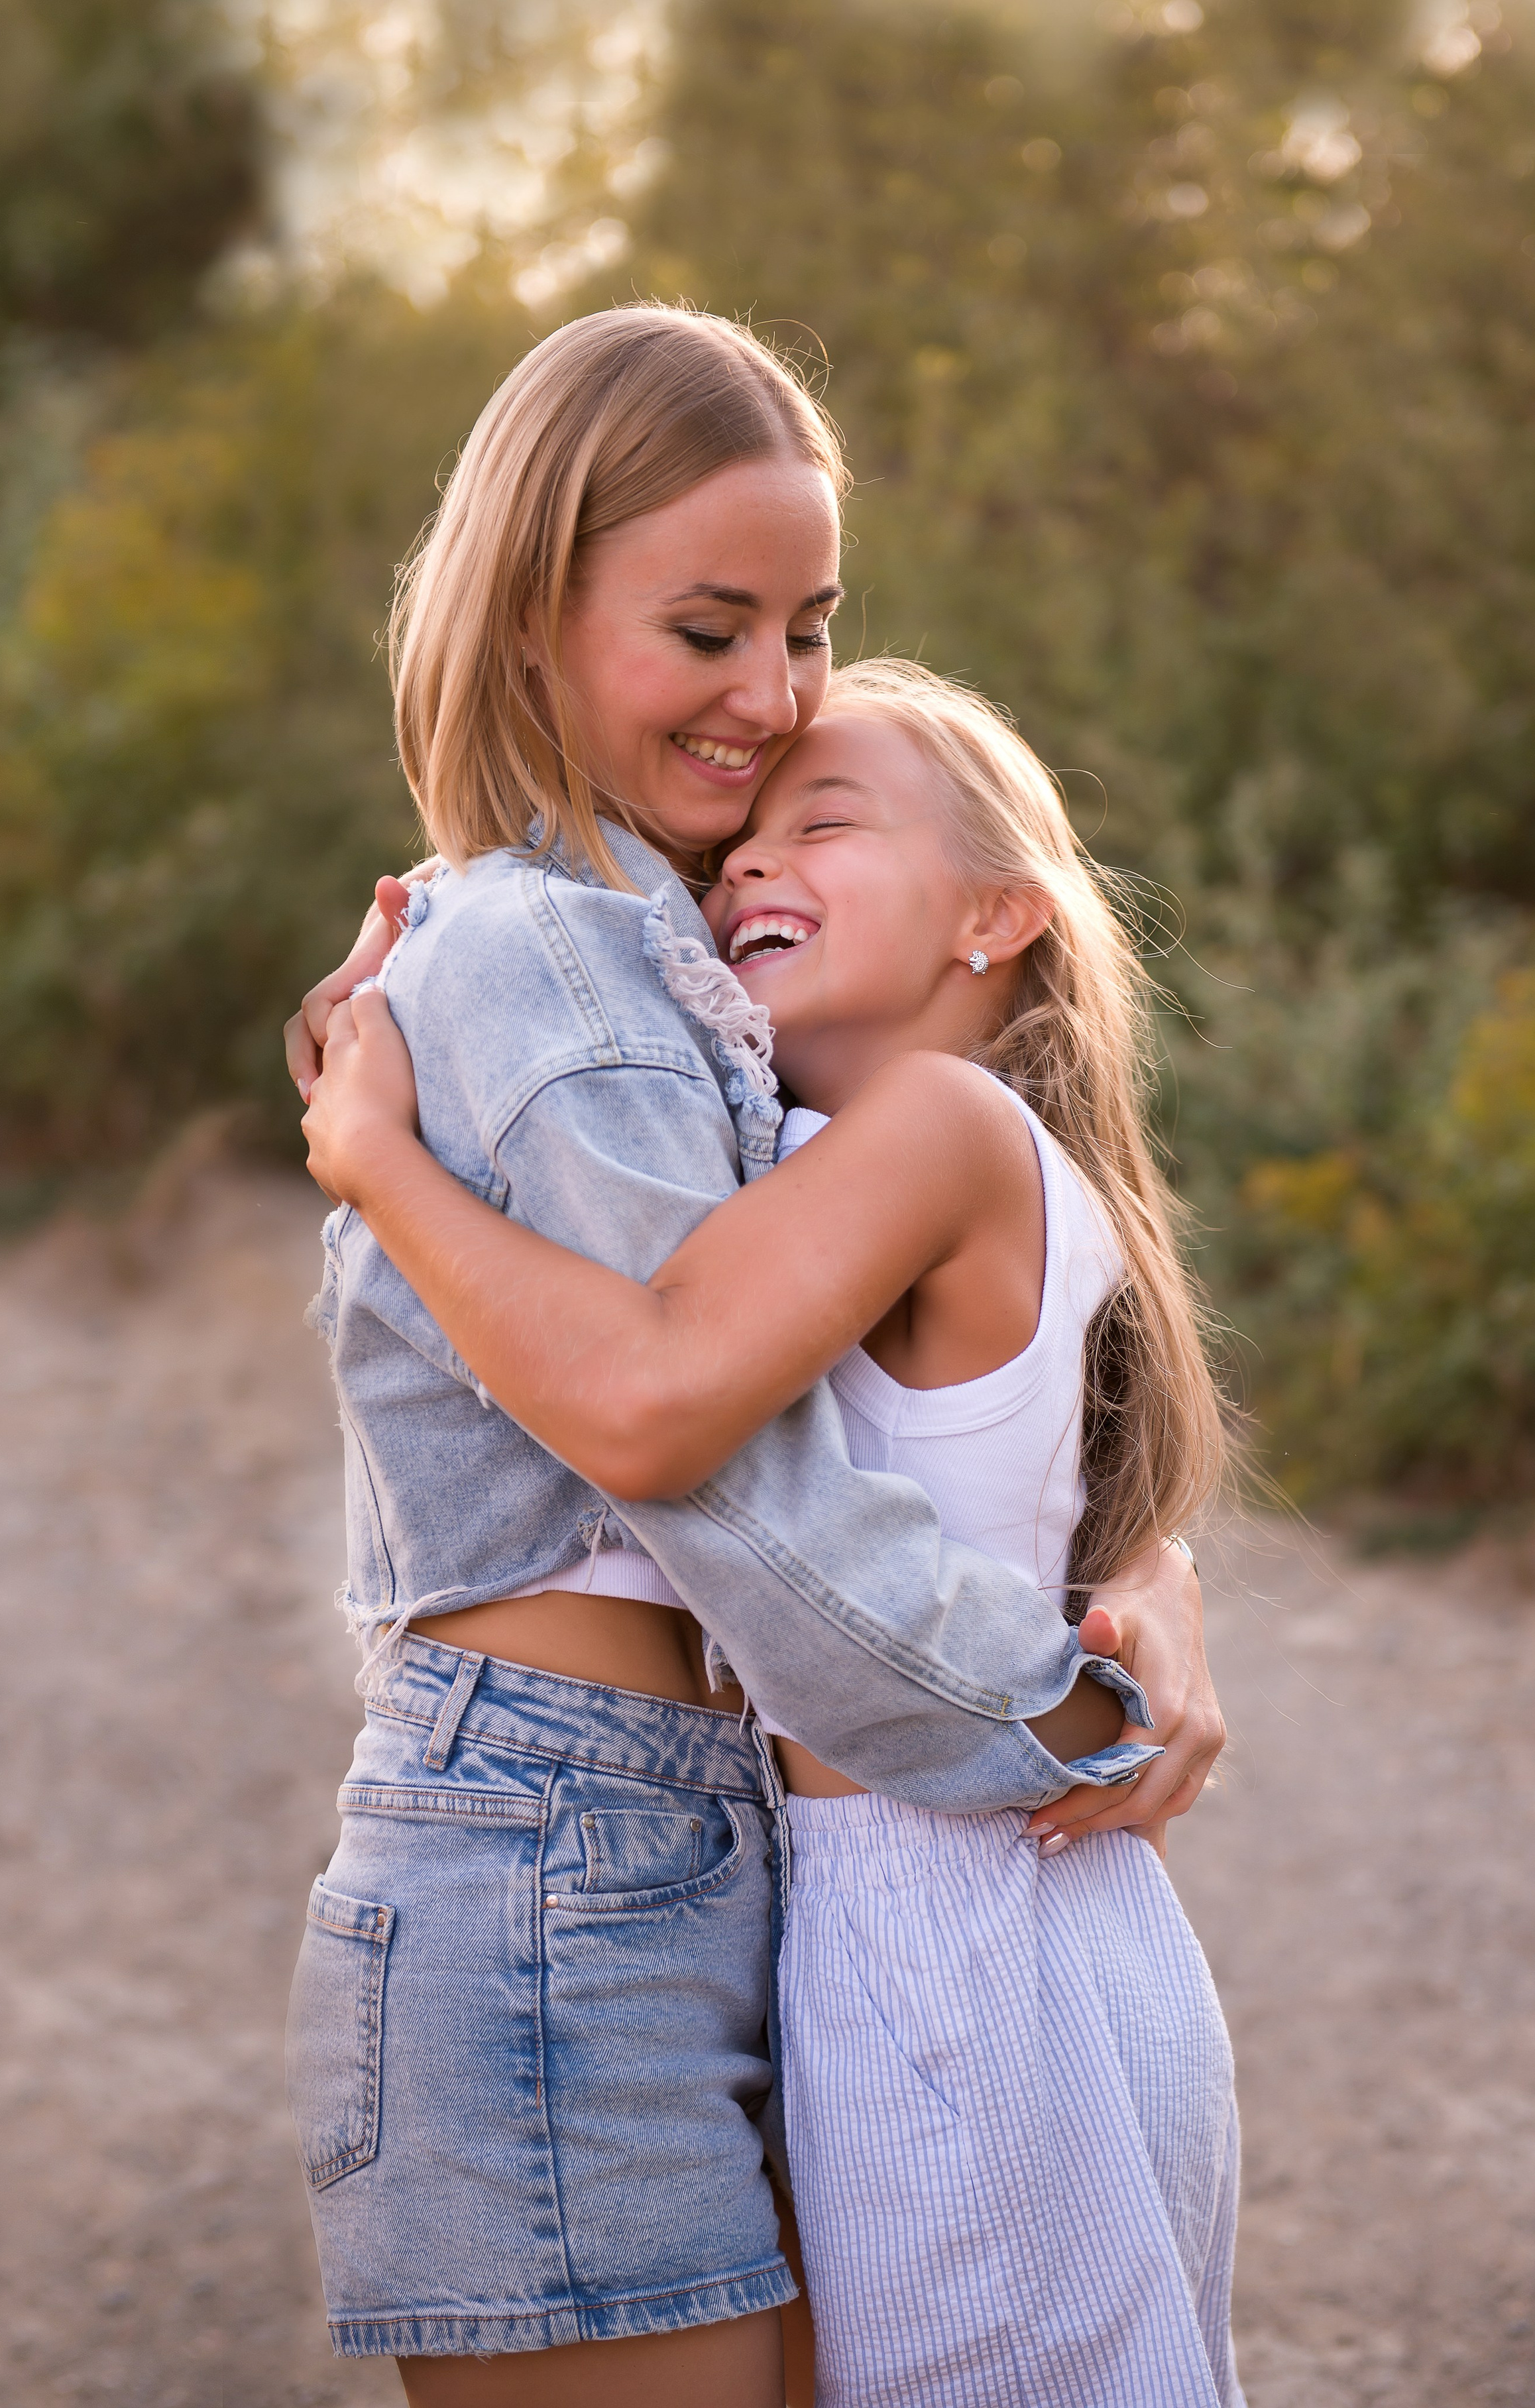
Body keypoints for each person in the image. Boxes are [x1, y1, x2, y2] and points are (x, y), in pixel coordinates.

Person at [282, 303, 1224, 2408]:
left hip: (687, 1842)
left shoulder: (678, 981)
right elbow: (686, 1432)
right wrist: (1055, 1702)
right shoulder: (559, 965)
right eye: (710, 629)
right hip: (557, 1847)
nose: (773, 696)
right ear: (532, 610)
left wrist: (1139, 1581)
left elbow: (924, 1405)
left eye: (807, 627)